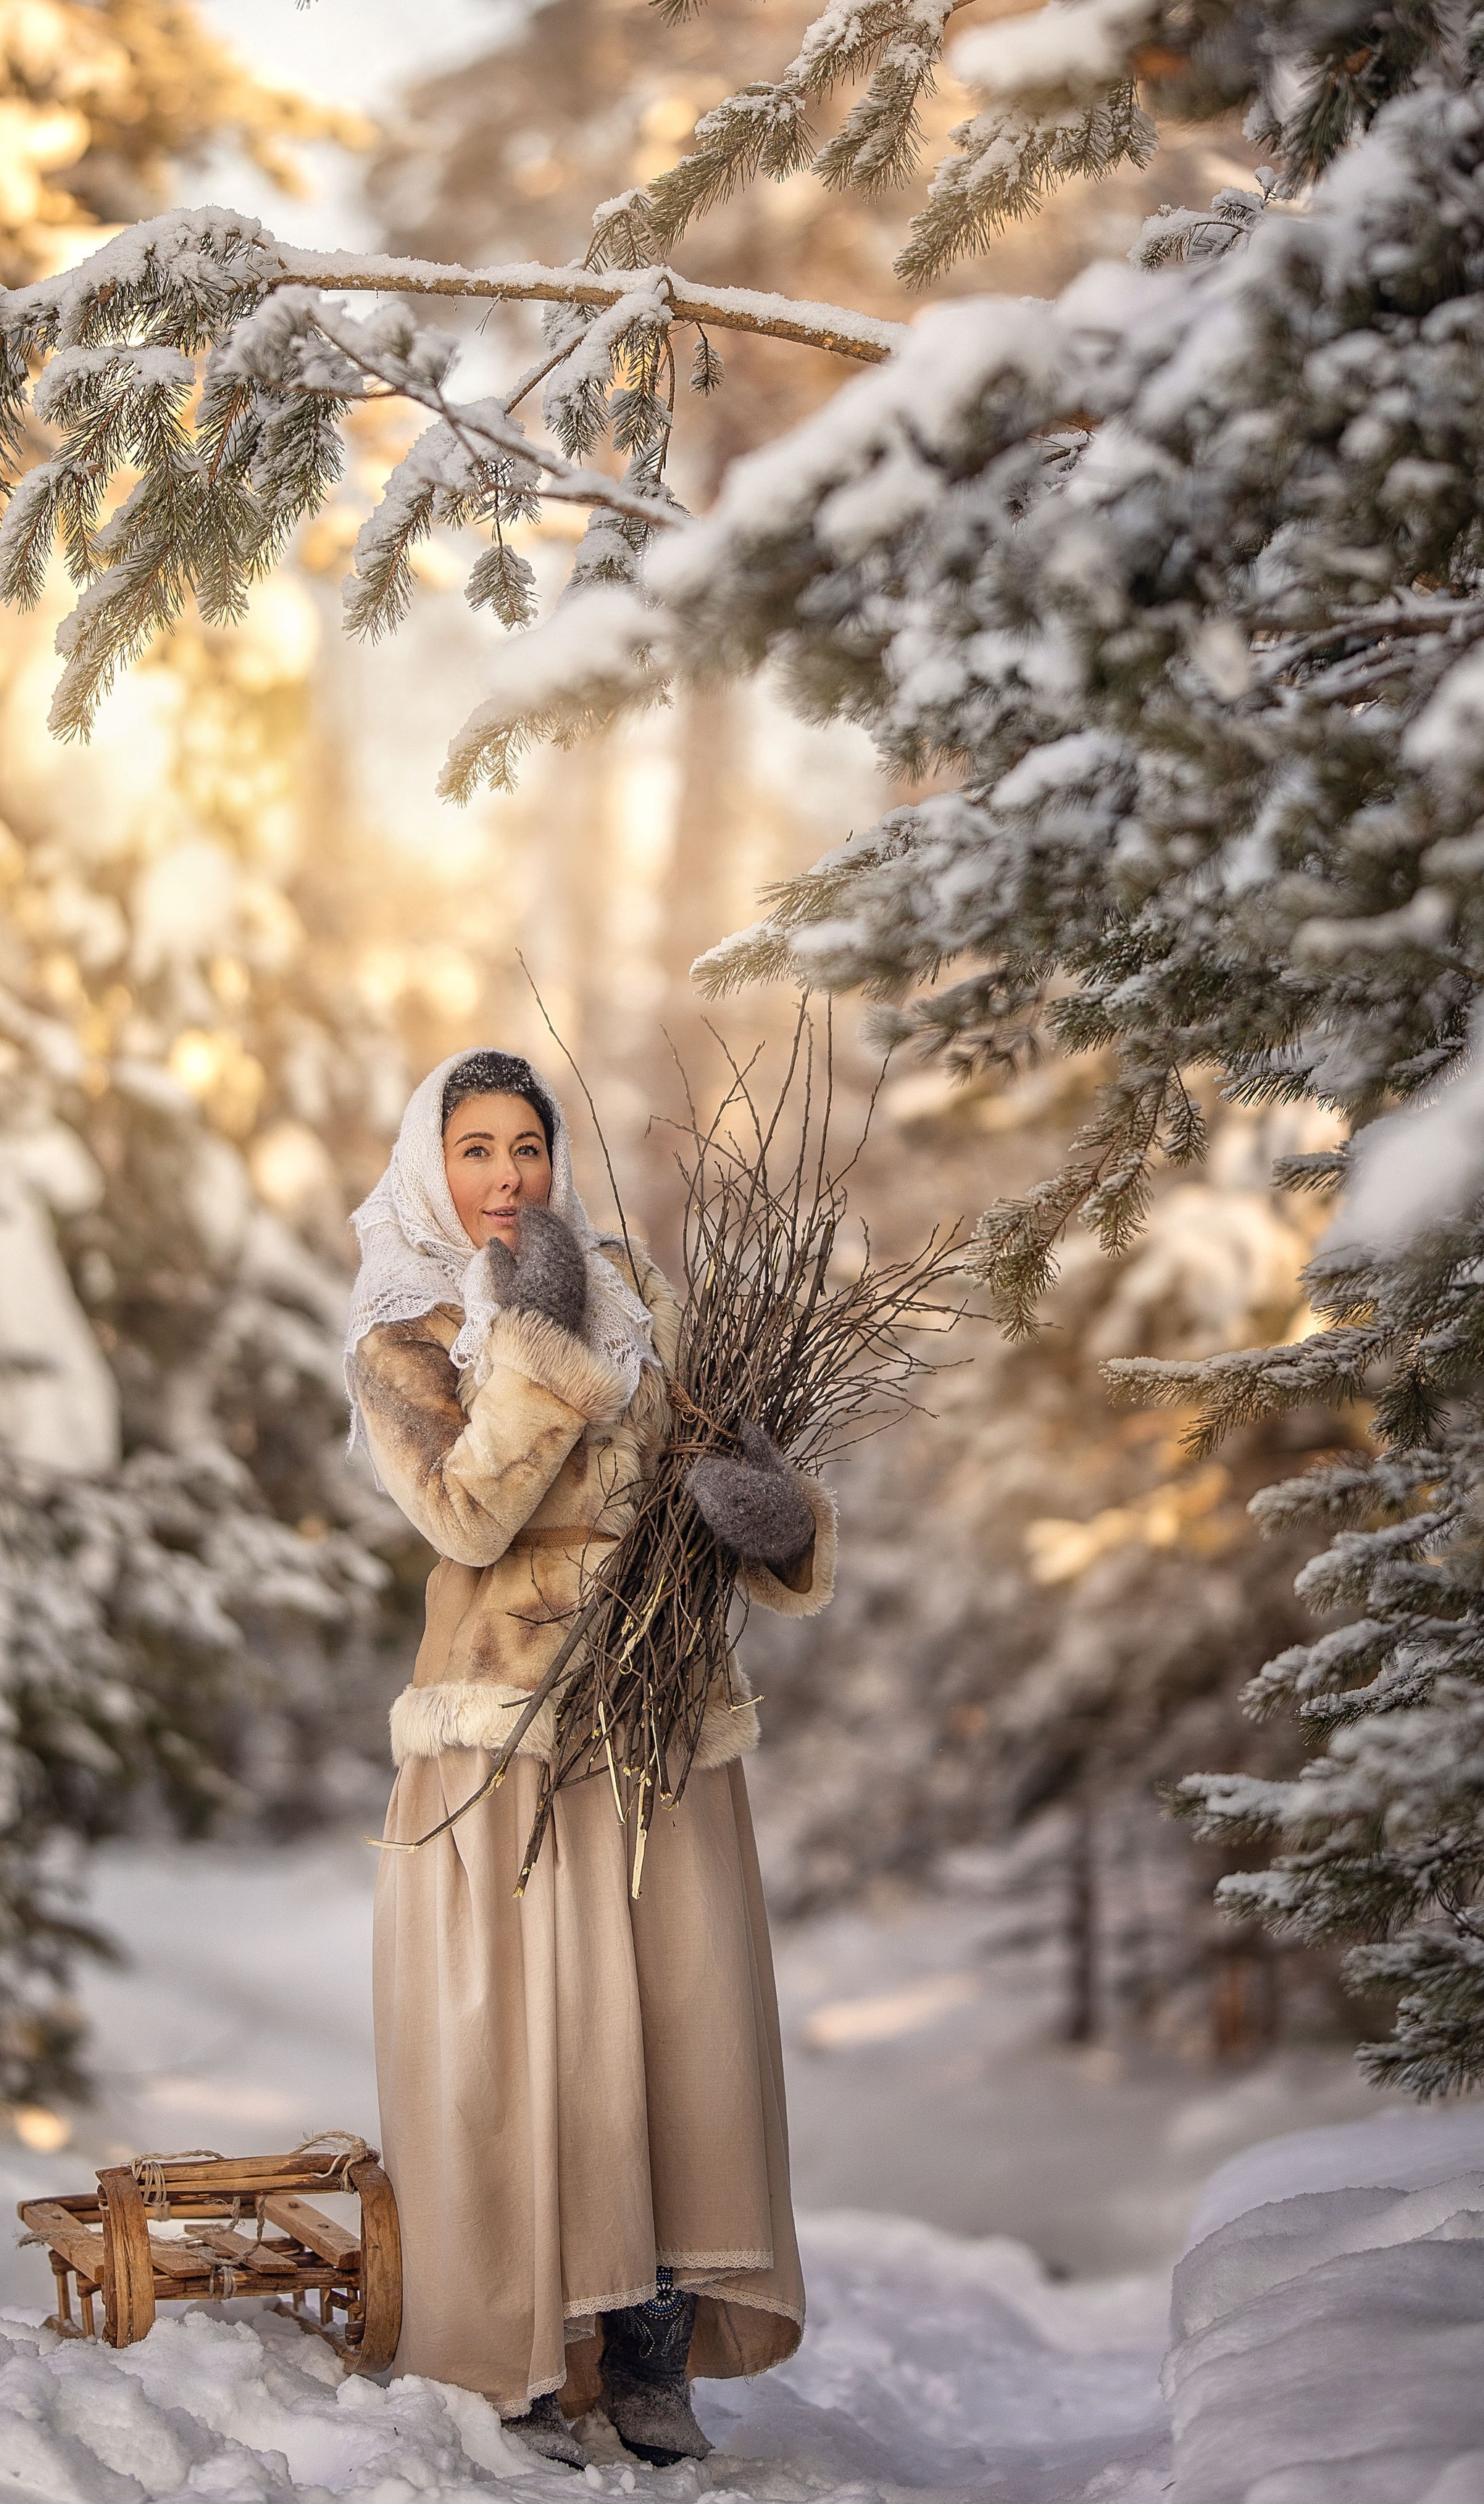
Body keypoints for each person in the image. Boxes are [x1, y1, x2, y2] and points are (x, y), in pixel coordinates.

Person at [345, 1047, 837, 2467]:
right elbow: (466, 1518)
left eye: (528, 1147)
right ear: (431, 1167)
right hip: (503, 1740)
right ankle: (520, 2359)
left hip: (655, 1727)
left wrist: (766, 1516)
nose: (508, 1178)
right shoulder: (405, 1334)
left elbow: (694, 1477)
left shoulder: (635, 1295)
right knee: (530, 2054)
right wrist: (536, 1342)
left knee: (674, 2042)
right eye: (476, 1150)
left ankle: (647, 2362)